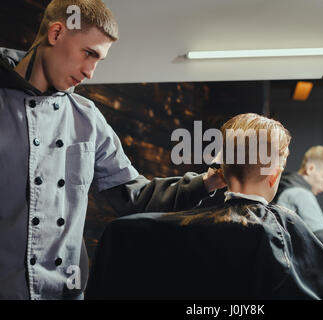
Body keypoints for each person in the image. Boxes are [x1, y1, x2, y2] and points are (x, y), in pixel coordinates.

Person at [0, 0, 225, 300]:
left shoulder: (87, 119)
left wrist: (209, 181)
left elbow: (135, 196)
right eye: (88, 53)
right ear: (56, 33)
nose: (90, 72)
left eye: (99, 60)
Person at [85, 113, 323, 299]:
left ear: (221, 169)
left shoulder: (167, 229)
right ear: (275, 174)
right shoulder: (281, 230)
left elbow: (121, 233)